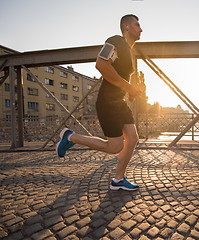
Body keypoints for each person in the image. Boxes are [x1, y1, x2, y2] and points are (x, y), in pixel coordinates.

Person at [56, 14, 143, 191]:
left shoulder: (129, 51)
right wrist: (128, 86)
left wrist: (132, 92)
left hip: (119, 101)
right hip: (108, 102)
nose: (141, 29)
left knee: (133, 138)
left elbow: (120, 78)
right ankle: (71, 137)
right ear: (126, 26)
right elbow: (101, 65)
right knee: (115, 146)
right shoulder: (116, 41)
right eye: (137, 25)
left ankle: (119, 180)